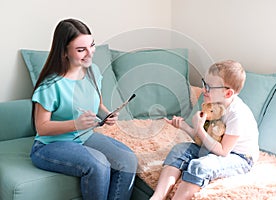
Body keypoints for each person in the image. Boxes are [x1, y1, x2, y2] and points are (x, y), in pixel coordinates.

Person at [30, 18, 137, 200]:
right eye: (81, 50)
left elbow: (99, 105)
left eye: (92, 45)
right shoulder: (51, 84)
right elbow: (42, 127)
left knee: (128, 160)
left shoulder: (93, 71)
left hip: (85, 137)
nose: (89, 53)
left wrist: (107, 115)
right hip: (50, 145)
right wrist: (76, 124)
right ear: (64, 52)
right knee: (99, 164)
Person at [150, 60, 259, 200]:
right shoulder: (212, 105)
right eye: (204, 83)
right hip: (215, 148)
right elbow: (205, 140)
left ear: (228, 93)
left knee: (200, 166)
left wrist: (199, 128)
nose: (203, 90)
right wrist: (185, 127)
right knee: (179, 150)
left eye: (209, 87)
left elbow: (223, 151)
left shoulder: (237, 114)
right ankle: (157, 197)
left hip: (239, 157)